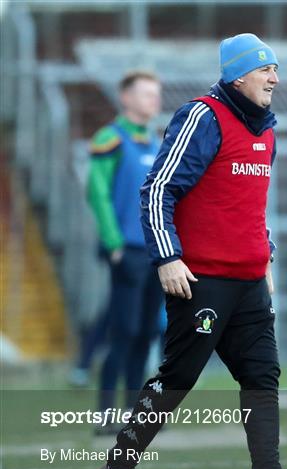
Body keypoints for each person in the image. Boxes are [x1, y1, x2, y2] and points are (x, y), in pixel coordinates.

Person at [98, 34, 287, 469]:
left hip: (249, 284)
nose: (275, 79)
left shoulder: (268, 127)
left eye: (276, 69)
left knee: (262, 377)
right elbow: (158, 187)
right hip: (200, 280)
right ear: (239, 75)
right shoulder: (202, 116)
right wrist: (167, 257)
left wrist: (263, 254)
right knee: (177, 379)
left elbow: (249, 206)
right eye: (266, 70)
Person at [87, 71, 165, 427]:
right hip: (128, 252)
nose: (154, 100)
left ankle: (136, 412)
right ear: (126, 98)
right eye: (146, 93)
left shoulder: (155, 142)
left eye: (156, 93)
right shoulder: (110, 139)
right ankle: (106, 413)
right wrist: (113, 243)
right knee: (123, 330)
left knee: (147, 332)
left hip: (155, 253)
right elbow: (97, 192)